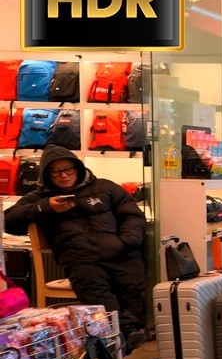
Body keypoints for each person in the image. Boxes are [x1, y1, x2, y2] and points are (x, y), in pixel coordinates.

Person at [5, 146, 148, 348]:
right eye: (56, 171)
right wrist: (46, 207)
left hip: (121, 253)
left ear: (78, 168)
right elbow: (8, 221)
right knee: (95, 289)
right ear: (46, 174)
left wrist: (127, 241)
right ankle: (126, 331)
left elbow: (132, 214)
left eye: (68, 169)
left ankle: (123, 337)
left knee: (132, 287)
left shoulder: (106, 187)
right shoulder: (39, 198)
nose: (64, 175)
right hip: (81, 260)